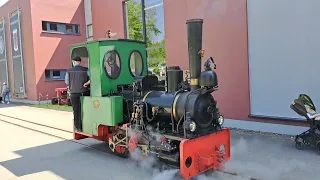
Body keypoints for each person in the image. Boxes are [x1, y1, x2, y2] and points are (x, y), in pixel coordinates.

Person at [65, 56, 90, 132]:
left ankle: (78, 127)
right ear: (80, 62)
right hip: (84, 92)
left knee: (76, 110)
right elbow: (92, 79)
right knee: (85, 110)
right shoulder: (86, 70)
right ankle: (87, 125)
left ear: (74, 62)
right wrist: (86, 83)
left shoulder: (69, 71)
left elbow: (66, 82)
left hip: (74, 93)